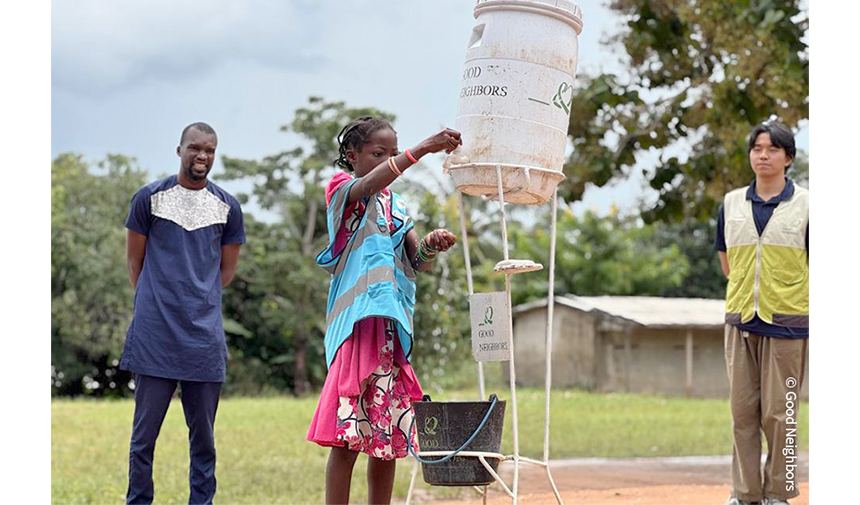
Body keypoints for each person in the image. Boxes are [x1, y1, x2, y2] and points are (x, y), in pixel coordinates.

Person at [306, 116, 461, 504]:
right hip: (356, 328)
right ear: (351, 155)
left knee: (388, 436)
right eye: (378, 154)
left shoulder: (397, 206)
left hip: (391, 330)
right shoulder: (342, 190)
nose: (386, 161)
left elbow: (415, 260)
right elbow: (367, 185)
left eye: (391, 154)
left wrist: (430, 244)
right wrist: (420, 150)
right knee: (348, 436)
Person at [121, 122, 245, 505]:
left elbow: (224, 275)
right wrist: (159, 301)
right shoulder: (149, 199)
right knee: (143, 439)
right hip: (154, 336)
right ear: (179, 150)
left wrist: (196, 299)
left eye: (209, 150)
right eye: (195, 148)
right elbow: (134, 264)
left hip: (203, 340)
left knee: (204, 441)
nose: (202, 156)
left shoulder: (228, 207)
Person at [715, 121, 808, 505]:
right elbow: (726, 261)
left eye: (772, 149)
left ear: (788, 157)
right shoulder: (731, 203)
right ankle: (746, 494)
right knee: (742, 415)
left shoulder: (808, 205)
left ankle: (779, 493)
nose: (763, 155)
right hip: (740, 321)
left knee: (780, 414)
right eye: (757, 148)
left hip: (787, 325)